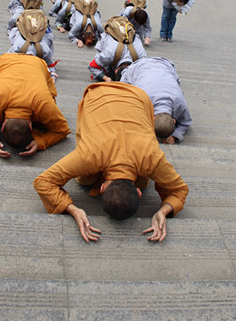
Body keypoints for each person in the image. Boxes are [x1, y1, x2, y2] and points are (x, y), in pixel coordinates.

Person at [33, 83, 189, 242]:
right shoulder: (90, 154)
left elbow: (180, 190)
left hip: (136, 96)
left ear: (102, 188)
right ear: (139, 193)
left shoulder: (150, 157)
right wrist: (72, 210)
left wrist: (163, 211)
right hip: (103, 95)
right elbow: (42, 182)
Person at [0, 53, 70, 158]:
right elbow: (62, 130)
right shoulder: (43, 103)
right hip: (19, 62)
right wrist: (40, 142)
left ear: (2, 125)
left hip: (22, 61)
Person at [121, 57, 192, 144]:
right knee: (122, 95)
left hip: (165, 66)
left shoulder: (180, 102)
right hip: (136, 67)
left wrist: (175, 135)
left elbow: (186, 122)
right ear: (174, 120)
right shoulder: (140, 100)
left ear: (174, 120)